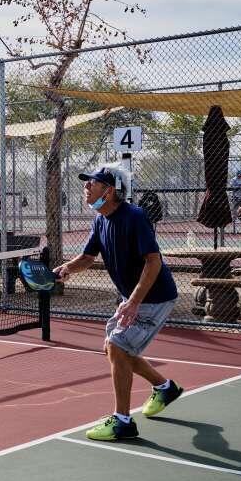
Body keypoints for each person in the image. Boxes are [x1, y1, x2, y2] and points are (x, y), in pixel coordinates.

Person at [54, 165, 183, 441]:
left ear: (109, 191)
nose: (86, 187)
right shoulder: (100, 220)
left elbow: (153, 261)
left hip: (153, 297)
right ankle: (164, 387)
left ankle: (123, 422)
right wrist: (67, 268)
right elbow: (88, 257)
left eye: (92, 183)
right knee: (113, 349)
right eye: (86, 183)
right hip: (135, 297)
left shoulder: (135, 217)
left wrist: (134, 301)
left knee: (117, 346)